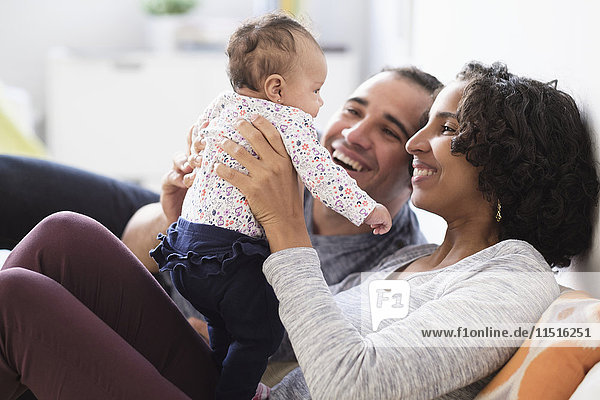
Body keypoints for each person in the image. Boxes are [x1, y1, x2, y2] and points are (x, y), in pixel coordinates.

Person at [0, 61, 597, 399]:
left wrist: (285, 226)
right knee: (66, 237)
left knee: (17, 298)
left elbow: (351, 385)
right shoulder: (414, 261)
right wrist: (195, 235)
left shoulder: (511, 287)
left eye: (442, 128)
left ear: (505, 159)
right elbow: (282, 337)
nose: (417, 143)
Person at [149, 12, 392, 399]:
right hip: (230, 257)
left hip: (185, 251)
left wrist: (194, 154)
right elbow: (324, 177)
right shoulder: (291, 122)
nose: (320, 100)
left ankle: (215, 380)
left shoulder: (224, 103)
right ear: (277, 88)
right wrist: (367, 209)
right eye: (315, 89)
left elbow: (196, 134)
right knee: (259, 333)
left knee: (222, 325)